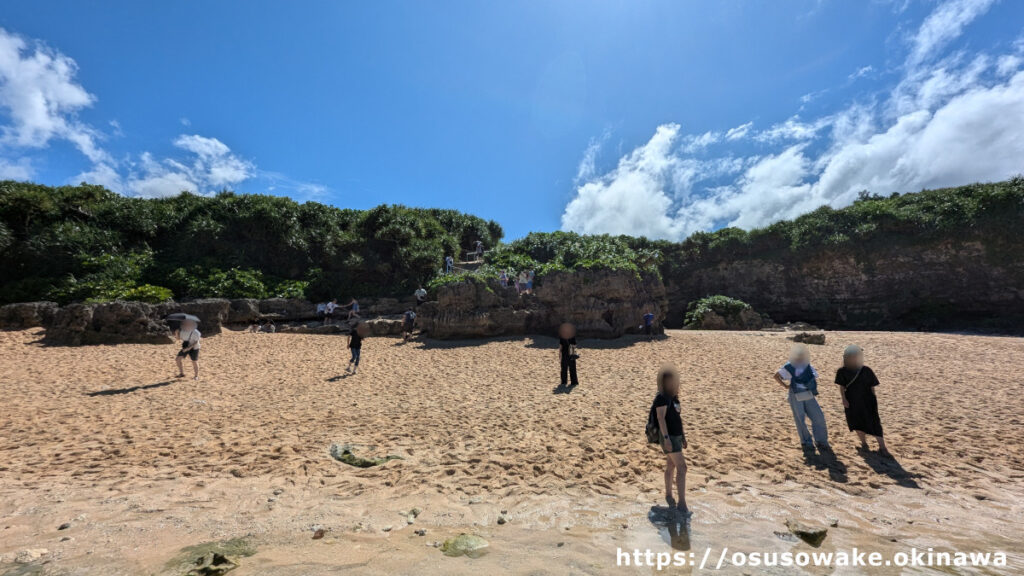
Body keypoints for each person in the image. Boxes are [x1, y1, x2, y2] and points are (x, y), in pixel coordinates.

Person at [835, 345, 892, 457]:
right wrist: (844, 399)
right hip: (852, 400)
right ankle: (864, 444)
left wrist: (874, 400)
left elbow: (872, 387)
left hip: (868, 400)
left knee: (875, 423)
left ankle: (882, 447)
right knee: (856, 422)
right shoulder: (842, 371)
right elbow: (842, 386)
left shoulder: (866, 370)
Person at [774, 344, 830, 452]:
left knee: (818, 417)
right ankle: (806, 442)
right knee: (800, 419)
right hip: (795, 393)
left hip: (808, 393)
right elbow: (776, 376)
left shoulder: (807, 365)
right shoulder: (789, 366)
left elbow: (814, 376)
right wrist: (785, 386)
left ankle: (821, 441)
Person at [653, 366, 689, 515]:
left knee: (671, 465)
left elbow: (677, 418)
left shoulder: (674, 397)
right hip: (669, 437)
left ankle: (669, 495)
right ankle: (682, 503)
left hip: (676, 436)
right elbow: (660, 418)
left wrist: (684, 436)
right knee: (682, 467)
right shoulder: (661, 397)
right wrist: (666, 438)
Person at [557, 323, 579, 387]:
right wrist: (574, 353)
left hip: (564, 353)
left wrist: (559, 354)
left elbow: (561, 346)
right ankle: (574, 381)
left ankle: (564, 381)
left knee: (564, 368)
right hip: (571, 353)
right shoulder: (572, 336)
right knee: (572, 368)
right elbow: (574, 345)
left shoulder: (562, 336)